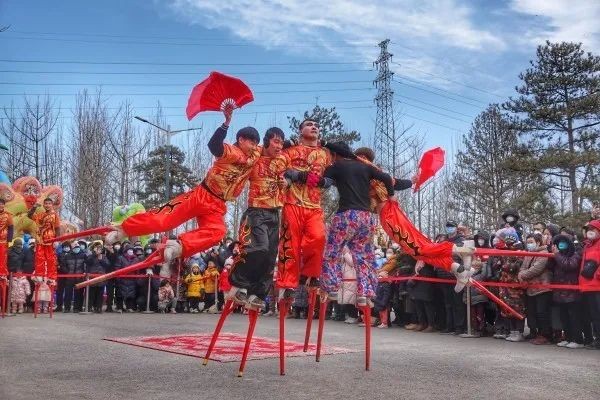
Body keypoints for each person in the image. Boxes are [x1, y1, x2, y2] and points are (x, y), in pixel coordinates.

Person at [104, 107, 261, 275]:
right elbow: (214, 145)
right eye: (251, 143)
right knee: (165, 220)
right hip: (201, 195)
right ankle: (124, 229)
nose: (253, 147)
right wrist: (226, 123)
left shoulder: (256, 154)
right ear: (241, 140)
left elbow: (272, 150)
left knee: (218, 231)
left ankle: (179, 246)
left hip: (217, 205)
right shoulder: (231, 152)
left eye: (255, 144)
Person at [319, 142, 394, 305]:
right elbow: (387, 178)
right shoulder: (366, 167)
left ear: (334, 154)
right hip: (366, 217)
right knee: (364, 255)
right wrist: (392, 196)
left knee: (333, 250)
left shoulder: (336, 166)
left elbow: (324, 183)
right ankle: (365, 292)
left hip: (346, 215)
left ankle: (332, 287)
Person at [228, 127, 287, 310]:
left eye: (281, 142)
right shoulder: (256, 155)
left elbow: (297, 169)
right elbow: (237, 152)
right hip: (256, 212)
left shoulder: (283, 159)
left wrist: (289, 180)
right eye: (276, 141)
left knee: (270, 257)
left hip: (275, 213)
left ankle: (258, 294)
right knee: (259, 248)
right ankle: (239, 283)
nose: (279, 146)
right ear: (267, 141)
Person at [276, 119, 331, 297]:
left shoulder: (325, 154)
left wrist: (321, 181)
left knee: (318, 238)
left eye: (317, 125)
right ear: (300, 131)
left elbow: (331, 178)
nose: (314, 126)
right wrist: (297, 175)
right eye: (309, 124)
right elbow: (278, 166)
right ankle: (286, 284)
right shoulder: (290, 151)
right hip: (292, 203)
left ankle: (309, 274)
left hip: (314, 206)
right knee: (289, 245)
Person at [550, 234, 584, 348]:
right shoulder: (558, 255)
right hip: (559, 291)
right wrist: (552, 254)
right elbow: (550, 266)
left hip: (572, 292)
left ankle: (577, 340)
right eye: (558, 242)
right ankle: (568, 338)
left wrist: (557, 255)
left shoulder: (576, 254)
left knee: (574, 317)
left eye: (563, 242)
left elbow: (569, 265)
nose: (561, 244)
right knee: (563, 316)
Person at [518, 233, 552, 345]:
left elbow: (536, 269)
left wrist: (522, 275)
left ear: (538, 242)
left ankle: (545, 334)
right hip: (530, 288)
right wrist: (521, 274)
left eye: (531, 242)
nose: (529, 244)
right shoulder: (528, 254)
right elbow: (523, 267)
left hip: (542, 287)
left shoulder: (544, 253)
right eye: (527, 242)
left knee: (541, 312)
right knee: (531, 312)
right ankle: (533, 332)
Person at [495, 227, 526, 342]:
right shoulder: (504, 251)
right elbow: (497, 265)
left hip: (516, 285)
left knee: (518, 308)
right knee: (507, 308)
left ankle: (519, 332)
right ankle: (512, 331)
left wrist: (504, 265)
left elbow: (513, 267)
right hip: (505, 284)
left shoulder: (520, 251)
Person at [579, 219, 600, 350]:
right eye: (588, 230)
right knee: (593, 315)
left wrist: (597, 275)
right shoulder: (587, 245)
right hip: (587, 285)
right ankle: (597, 338)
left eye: (593, 229)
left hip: (596, 285)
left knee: (598, 314)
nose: (590, 232)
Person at [28, 197, 60, 282]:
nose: (47, 205)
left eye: (49, 204)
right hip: (40, 239)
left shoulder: (54, 215)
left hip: (50, 240)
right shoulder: (40, 215)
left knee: (51, 259)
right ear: (43, 205)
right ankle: (39, 275)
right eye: (46, 203)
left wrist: (57, 240)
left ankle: (51, 277)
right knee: (39, 258)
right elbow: (29, 215)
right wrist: (34, 207)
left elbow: (57, 228)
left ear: (52, 205)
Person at [62, 241, 87, 312]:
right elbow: (63, 265)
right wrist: (67, 272)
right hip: (69, 278)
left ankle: (77, 308)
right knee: (68, 294)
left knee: (79, 294)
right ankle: (67, 308)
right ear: (72, 248)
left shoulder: (83, 255)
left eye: (77, 247)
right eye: (75, 247)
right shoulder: (67, 255)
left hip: (80, 277)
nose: (76, 248)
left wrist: (84, 272)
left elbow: (87, 264)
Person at [86, 241, 110, 313]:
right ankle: (89, 307)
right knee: (91, 294)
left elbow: (107, 265)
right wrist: (94, 255)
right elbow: (88, 262)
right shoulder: (90, 256)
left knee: (100, 294)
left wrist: (101, 260)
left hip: (101, 278)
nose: (98, 250)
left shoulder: (104, 256)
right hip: (92, 277)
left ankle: (99, 307)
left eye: (100, 249)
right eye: (97, 248)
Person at [115, 244, 139, 312]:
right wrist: (118, 278)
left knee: (131, 294)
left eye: (132, 250)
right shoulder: (120, 258)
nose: (131, 251)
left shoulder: (136, 259)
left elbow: (137, 270)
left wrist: (136, 278)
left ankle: (129, 307)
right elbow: (117, 268)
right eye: (129, 250)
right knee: (120, 294)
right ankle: (119, 307)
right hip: (122, 279)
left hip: (132, 279)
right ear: (126, 250)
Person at [0, 198, 14, 279]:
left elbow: (11, 228)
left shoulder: (8, 215)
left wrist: (9, 241)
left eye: (1, 204)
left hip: (3, 240)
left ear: (4, 205)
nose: (0, 205)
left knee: (2, 258)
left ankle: (2, 275)